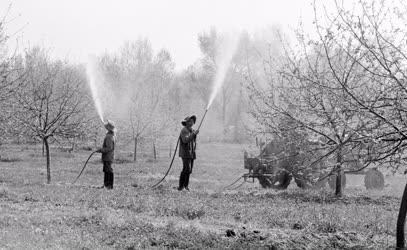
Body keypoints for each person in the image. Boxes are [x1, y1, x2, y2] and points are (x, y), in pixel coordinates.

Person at [178, 115, 199, 191]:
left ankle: (186, 186)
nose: (191, 122)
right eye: (190, 121)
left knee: (189, 170)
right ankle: (181, 186)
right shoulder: (184, 130)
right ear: (186, 123)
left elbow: (193, 142)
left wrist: (194, 134)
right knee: (186, 169)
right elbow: (185, 140)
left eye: (193, 121)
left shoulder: (192, 130)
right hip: (185, 153)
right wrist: (193, 134)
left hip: (191, 153)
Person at [96, 120, 116, 189]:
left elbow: (109, 148)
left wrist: (100, 150)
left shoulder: (109, 137)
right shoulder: (111, 135)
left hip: (108, 156)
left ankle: (109, 186)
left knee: (108, 170)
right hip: (109, 156)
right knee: (106, 170)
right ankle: (106, 185)